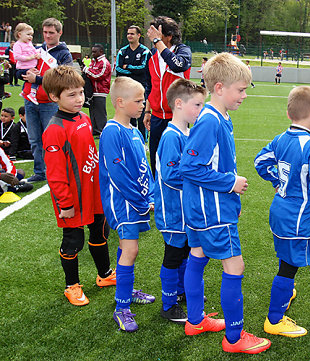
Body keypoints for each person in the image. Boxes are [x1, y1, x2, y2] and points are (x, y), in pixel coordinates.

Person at [180, 53, 271, 354]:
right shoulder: (210, 120)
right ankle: (234, 338)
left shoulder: (218, 117)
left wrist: (230, 194)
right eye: (241, 90)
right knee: (235, 265)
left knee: (198, 253)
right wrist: (230, 184)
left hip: (205, 207)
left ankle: (195, 320)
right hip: (212, 210)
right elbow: (189, 168)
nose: (244, 95)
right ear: (219, 88)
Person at [254, 86, 310, 338]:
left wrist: (279, 181)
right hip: (298, 218)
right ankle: (275, 319)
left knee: (286, 258)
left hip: (280, 212)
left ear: (289, 112)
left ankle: (286, 290)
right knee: (289, 266)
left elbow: (261, 162)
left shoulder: (282, 138)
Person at [42, 66, 116, 307]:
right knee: (73, 241)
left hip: (93, 192)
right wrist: (65, 203)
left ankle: (104, 274)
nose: (79, 99)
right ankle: (71, 285)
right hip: (72, 199)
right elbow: (54, 174)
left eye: (80, 93)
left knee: (99, 233)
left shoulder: (84, 118)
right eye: (71, 95)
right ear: (55, 97)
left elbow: (90, 154)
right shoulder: (54, 129)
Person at [99, 77, 156, 332]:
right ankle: (121, 307)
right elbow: (118, 174)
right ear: (120, 102)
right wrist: (140, 201)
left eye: (143, 99)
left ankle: (126, 289)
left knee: (128, 249)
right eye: (138, 100)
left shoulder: (133, 129)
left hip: (137, 201)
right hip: (122, 203)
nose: (143, 104)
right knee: (130, 250)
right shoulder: (112, 131)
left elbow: (144, 168)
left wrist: (150, 196)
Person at [155, 78, 206, 324]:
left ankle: (183, 291)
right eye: (196, 105)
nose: (200, 111)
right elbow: (171, 175)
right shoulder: (171, 136)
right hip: (173, 210)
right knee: (173, 255)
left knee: (185, 251)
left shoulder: (187, 132)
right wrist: (199, 180)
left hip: (186, 210)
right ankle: (168, 304)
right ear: (178, 104)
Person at [22, 17, 73, 183]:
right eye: (45, 32)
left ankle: (55, 170)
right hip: (31, 100)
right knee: (34, 139)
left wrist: (36, 80)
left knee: (51, 139)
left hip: (49, 102)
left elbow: (64, 78)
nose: (47, 36)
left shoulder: (64, 54)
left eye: (51, 32)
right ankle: (39, 171)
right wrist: (23, 73)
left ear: (60, 33)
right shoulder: (35, 49)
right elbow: (21, 70)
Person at [144, 16, 192, 174]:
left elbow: (177, 65)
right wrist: (147, 111)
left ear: (169, 36)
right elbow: (151, 85)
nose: (151, 36)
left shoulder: (182, 51)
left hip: (177, 117)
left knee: (177, 164)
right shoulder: (151, 55)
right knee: (155, 163)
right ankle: (157, 196)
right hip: (157, 117)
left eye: (156, 32)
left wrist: (158, 42)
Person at [116, 25, 150, 138]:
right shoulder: (122, 51)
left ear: (139, 35)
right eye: (128, 34)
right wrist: (133, 71)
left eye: (132, 34)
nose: (129, 36)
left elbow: (143, 68)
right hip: (126, 89)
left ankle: (143, 140)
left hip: (141, 88)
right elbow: (118, 68)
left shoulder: (145, 51)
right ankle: (128, 137)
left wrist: (128, 67)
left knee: (141, 115)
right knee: (127, 114)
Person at [84, 43, 111, 136]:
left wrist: (87, 70)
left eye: (95, 52)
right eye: (92, 52)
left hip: (101, 91)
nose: (93, 53)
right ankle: (95, 130)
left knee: (100, 112)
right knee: (93, 111)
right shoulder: (93, 61)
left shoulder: (104, 62)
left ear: (101, 52)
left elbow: (99, 75)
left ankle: (102, 131)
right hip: (92, 91)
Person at [13, 23, 41, 104]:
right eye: (28, 34)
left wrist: (38, 53)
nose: (30, 37)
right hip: (23, 68)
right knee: (36, 77)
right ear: (19, 34)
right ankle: (32, 93)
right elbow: (17, 56)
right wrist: (30, 57)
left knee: (30, 78)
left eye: (31, 35)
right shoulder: (17, 45)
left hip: (30, 67)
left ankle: (24, 91)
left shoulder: (29, 44)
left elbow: (34, 51)